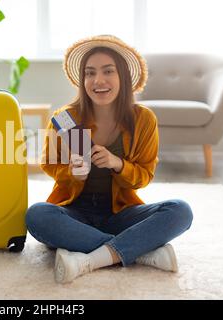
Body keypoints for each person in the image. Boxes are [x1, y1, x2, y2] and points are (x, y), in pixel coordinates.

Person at [25, 35, 193, 284]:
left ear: (123, 77)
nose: (98, 81)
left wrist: (118, 164)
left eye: (108, 71)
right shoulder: (65, 118)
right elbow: (49, 163)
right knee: (37, 215)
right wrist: (72, 173)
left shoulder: (143, 120)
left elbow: (144, 176)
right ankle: (139, 251)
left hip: (121, 215)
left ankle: (89, 257)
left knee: (180, 211)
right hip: (75, 212)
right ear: (83, 80)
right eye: (90, 73)